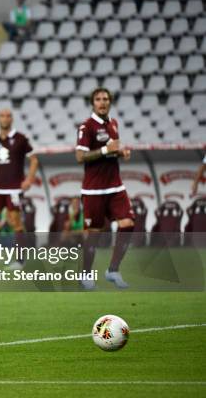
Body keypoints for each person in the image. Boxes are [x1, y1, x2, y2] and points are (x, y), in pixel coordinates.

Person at [76, 87, 134, 289]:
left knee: (127, 224)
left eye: (106, 99)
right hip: (94, 190)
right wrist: (104, 149)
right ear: (92, 103)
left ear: (110, 102)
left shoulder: (114, 124)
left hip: (115, 186)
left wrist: (121, 152)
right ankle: (85, 275)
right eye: (98, 99)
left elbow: (112, 150)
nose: (102, 102)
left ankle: (113, 270)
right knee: (94, 232)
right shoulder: (86, 127)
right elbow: (80, 156)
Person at [0, 108, 38, 270]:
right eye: (2, 116)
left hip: (14, 188)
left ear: (12, 119)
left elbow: (34, 160)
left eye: (8, 116)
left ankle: (20, 260)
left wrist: (29, 179)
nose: (5, 118)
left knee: (16, 223)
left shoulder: (21, 139)